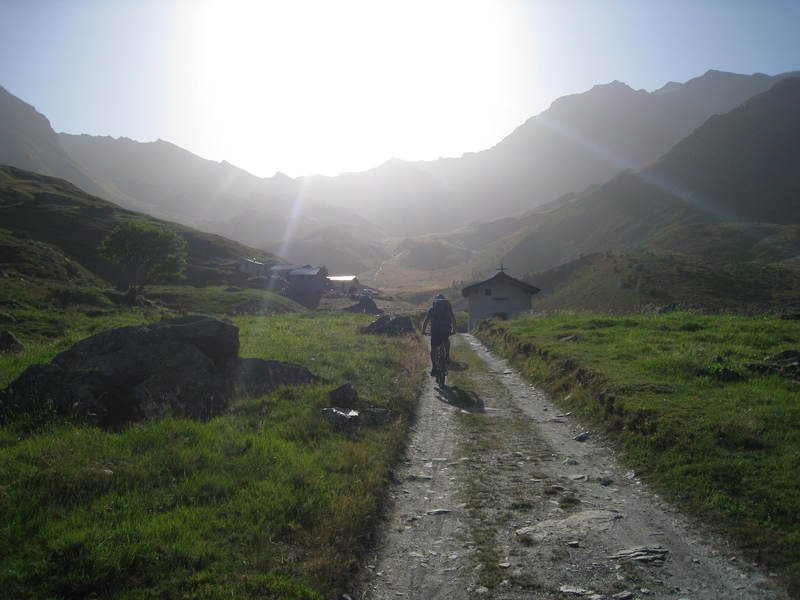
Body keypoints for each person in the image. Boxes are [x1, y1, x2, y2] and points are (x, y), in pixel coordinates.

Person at [421, 294, 457, 376]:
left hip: (435, 330)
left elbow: (426, 320)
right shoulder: (448, 308)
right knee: (446, 339)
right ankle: (447, 355)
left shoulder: (432, 308)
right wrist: (454, 330)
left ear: (435, 301)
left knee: (434, 348)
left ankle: (434, 367)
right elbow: (453, 319)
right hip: (446, 329)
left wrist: (423, 331)